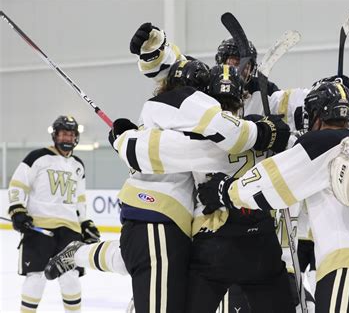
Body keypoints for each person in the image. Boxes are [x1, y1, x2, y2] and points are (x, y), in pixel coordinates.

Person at [46, 61, 291, 313]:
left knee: (133, 258)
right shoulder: (191, 128)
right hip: (165, 217)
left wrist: (126, 137)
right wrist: (270, 130)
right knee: (150, 264)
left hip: (172, 223)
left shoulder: (166, 123)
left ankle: (78, 254)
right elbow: (207, 145)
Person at [197, 79, 349, 312]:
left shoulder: (321, 143)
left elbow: (272, 182)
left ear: (317, 116)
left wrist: (226, 190)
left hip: (347, 262)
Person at [7, 115, 100, 313]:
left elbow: (80, 200)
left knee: (70, 277)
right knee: (35, 277)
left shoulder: (78, 165)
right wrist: (17, 210)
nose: (67, 138)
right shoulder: (37, 157)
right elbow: (18, 185)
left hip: (70, 230)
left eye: (71, 134)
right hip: (39, 228)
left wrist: (85, 223)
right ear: (55, 135)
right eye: (63, 134)